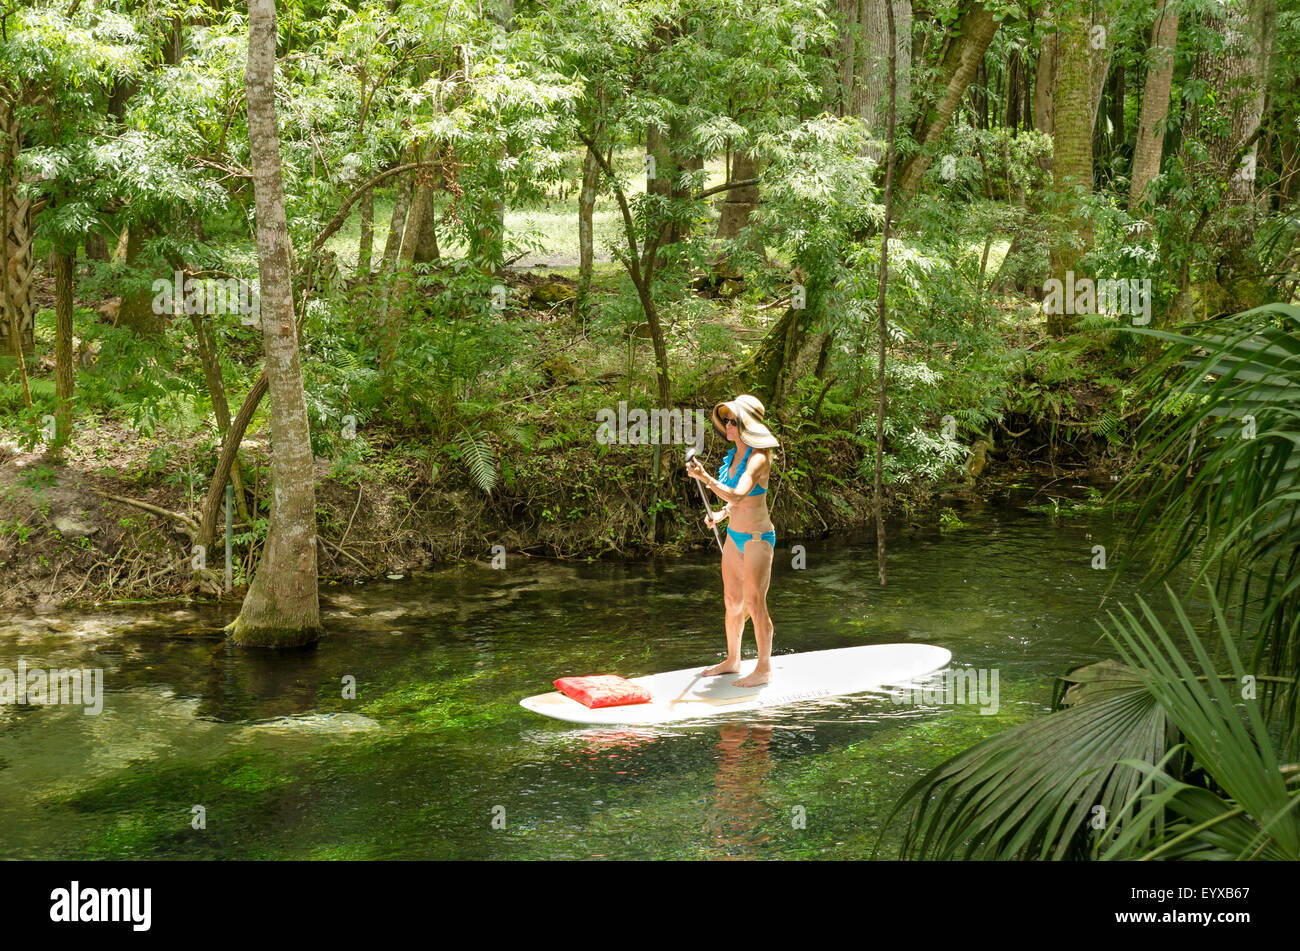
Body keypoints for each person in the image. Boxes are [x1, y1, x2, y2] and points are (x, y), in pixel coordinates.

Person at [685, 394, 779, 687]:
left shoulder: (759, 458)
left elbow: (740, 493)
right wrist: (721, 514)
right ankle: (733, 660)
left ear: (747, 424)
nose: (727, 425)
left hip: (757, 539)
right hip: (734, 537)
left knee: (755, 602)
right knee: (732, 601)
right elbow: (736, 503)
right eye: (725, 420)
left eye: (733, 421)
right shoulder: (734, 456)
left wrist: (706, 479)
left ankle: (763, 669)